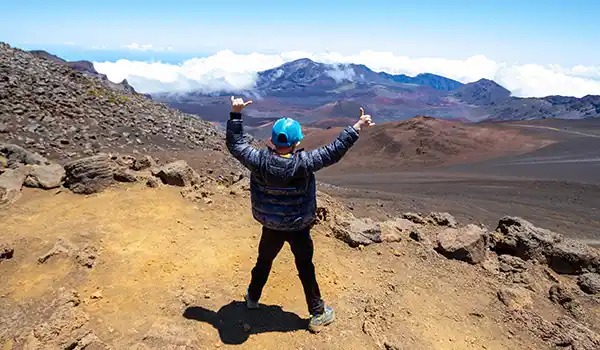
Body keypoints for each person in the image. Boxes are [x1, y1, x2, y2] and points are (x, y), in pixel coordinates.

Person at [225, 96, 374, 333]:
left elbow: (236, 145)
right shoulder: (304, 163)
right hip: (298, 228)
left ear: (273, 140)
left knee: (264, 261)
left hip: (270, 225)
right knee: (305, 266)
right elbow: (333, 151)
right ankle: (317, 313)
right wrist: (356, 128)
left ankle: (252, 298)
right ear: (296, 143)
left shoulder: (257, 161)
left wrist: (235, 113)